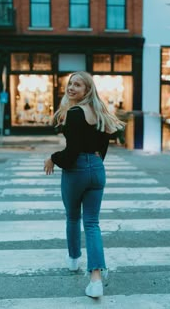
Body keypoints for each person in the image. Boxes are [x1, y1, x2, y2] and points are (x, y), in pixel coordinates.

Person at [44, 71, 125, 298]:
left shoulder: (75, 113)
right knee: (92, 224)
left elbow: (70, 154)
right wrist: (94, 163)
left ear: (87, 89)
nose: (71, 88)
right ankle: (96, 279)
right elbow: (104, 147)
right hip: (97, 169)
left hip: (76, 169)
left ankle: (73, 260)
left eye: (77, 85)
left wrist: (53, 157)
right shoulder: (101, 113)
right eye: (70, 84)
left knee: (72, 216)